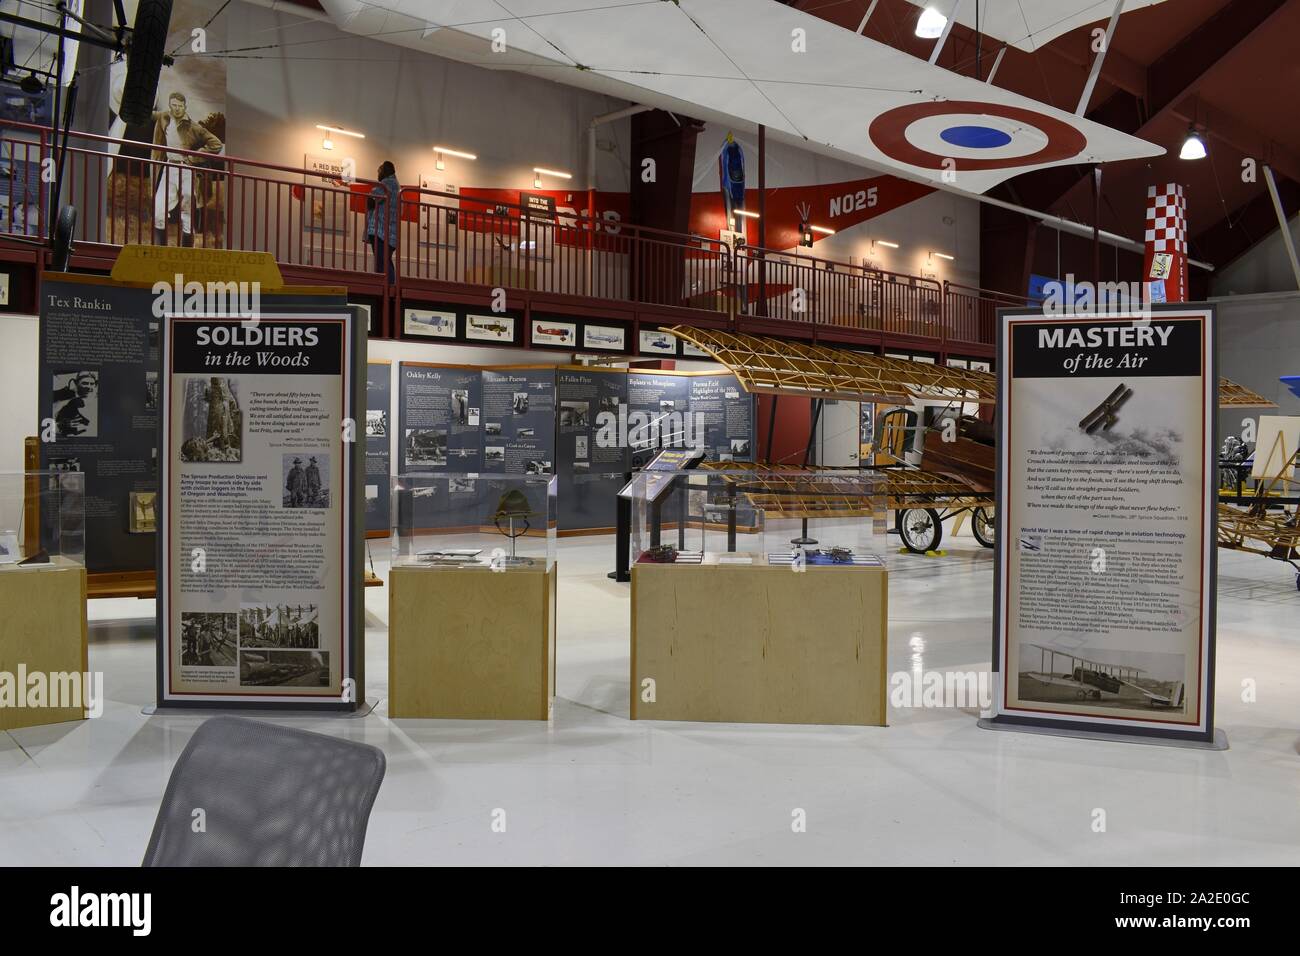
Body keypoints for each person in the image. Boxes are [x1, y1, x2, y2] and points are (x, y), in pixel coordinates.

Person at [152, 92, 224, 247]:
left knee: (188, 210)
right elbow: (151, 116)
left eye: (180, 106)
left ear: (185, 107)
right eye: (174, 105)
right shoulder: (164, 118)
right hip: (169, 167)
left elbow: (216, 144)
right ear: (170, 106)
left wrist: (194, 157)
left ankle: (186, 249)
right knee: (159, 208)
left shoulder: (194, 127)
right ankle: (160, 249)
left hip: (186, 169)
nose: (177, 109)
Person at [365, 161, 400, 282]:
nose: (378, 174)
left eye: (379, 171)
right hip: (391, 233)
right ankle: (390, 288)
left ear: (385, 171)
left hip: (380, 230)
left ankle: (387, 288)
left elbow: (371, 200)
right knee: (386, 261)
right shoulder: (397, 186)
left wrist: (369, 196)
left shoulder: (387, 183)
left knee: (382, 264)